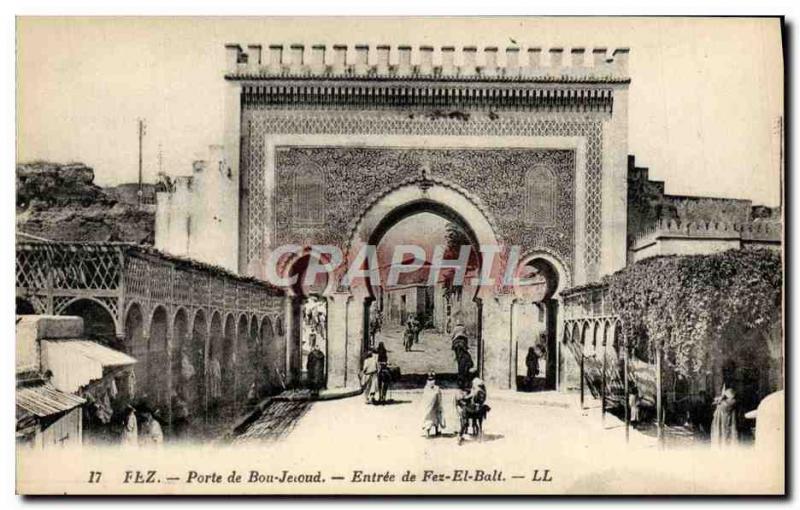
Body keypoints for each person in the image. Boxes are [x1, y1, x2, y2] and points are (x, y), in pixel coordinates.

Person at [421, 373, 446, 437]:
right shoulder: (436, 388)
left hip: (428, 407)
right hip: (435, 406)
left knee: (429, 419)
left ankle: (428, 433)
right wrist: (440, 405)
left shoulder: (426, 388)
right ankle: (436, 431)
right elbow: (439, 397)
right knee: (436, 418)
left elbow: (424, 399)